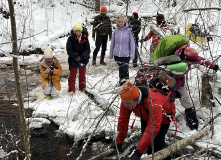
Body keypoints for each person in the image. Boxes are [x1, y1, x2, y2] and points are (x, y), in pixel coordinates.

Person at [109, 81, 175, 160]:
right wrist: (119, 141)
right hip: (145, 113)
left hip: (163, 117)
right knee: (146, 140)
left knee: (157, 143)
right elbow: (123, 120)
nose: (125, 105)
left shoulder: (153, 102)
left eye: (127, 103)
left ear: (136, 100)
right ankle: (150, 154)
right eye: (124, 103)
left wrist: (138, 152)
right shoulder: (127, 99)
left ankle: (168, 156)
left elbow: (153, 129)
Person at [174, 45, 219, 130]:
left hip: (180, 82)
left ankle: (193, 123)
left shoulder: (190, 56)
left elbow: (201, 60)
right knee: (168, 103)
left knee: (187, 102)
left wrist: (213, 66)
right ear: (185, 58)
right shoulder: (174, 60)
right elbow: (166, 74)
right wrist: (173, 90)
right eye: (190, 62)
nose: (191, 64)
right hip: (169, 83)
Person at [109, 15, 135, 86]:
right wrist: (111, 54)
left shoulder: (128, 31)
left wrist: (132, 54)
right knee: (120, 68)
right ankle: (121, 81)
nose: (120, 23)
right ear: (117, 22)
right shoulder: (115, 31)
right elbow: (112, 43)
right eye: (119, 22)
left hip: (126, 54)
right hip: (117, 54)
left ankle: (126, 82)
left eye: (122, 21)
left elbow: (132, 43)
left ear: (124, 22)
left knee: (125, 68)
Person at [66, 22, 90, 94]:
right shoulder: (71, 38)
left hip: (83, 59)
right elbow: (69, 50)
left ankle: (82, 87)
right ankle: (71, 89)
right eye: (76, 31)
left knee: (82, 74)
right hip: (73, 59)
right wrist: (76, 56)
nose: (78, 32)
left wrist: (82, 56)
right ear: (74, 31)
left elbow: (88, 50)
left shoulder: (85, 38)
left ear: (81, 31)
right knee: (72, 75)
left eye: (79, 31)